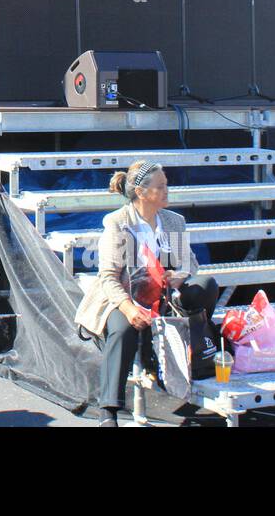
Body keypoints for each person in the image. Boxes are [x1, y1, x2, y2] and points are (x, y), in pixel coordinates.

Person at [74, 160, 220, 427]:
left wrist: (180, 275)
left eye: (167, 184)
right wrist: (129, 309)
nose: (167, 190)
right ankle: (109, 410)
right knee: (122, 329)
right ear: (141, 193)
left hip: (164, 296)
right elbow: (108, 278)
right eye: (161, 186)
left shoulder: (173, 221)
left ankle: (188, 353)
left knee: (206, 285)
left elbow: (190, 263)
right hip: (125, 296)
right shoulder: (118, 223)